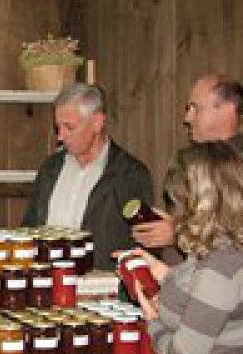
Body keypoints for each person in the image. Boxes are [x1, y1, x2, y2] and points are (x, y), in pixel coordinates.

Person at [129, 141, 243, 354]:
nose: (177, 210)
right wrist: (165, 274)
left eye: (180, 201)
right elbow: (224, 311)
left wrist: (153, 323)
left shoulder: (219, 272)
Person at [131, 74, 243, 259]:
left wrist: (177, 234)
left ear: (227, 110)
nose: (187, 118)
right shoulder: (193, 168)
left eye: (195, 108)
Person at [22, 83, 154, 270]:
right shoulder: (50, 170)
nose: (60, 136)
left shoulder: (130, 175)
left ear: (97, 123)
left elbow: (146, 243)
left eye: (69, 127)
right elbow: (29, 228)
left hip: (104, 293)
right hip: (48, 287)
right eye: (58, 127)